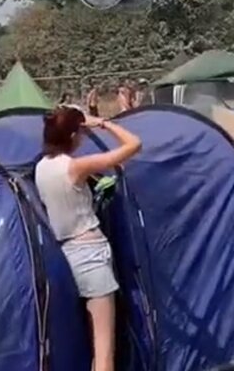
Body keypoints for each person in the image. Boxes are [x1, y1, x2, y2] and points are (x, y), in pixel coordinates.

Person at [34, 106, 142, 371]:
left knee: (84, 339)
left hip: (65, 254)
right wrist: (103, 123)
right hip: (91, 255)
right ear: (73, 135)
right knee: (104, 350)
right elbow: (134, 145)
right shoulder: (76, 166)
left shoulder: (40, 168)